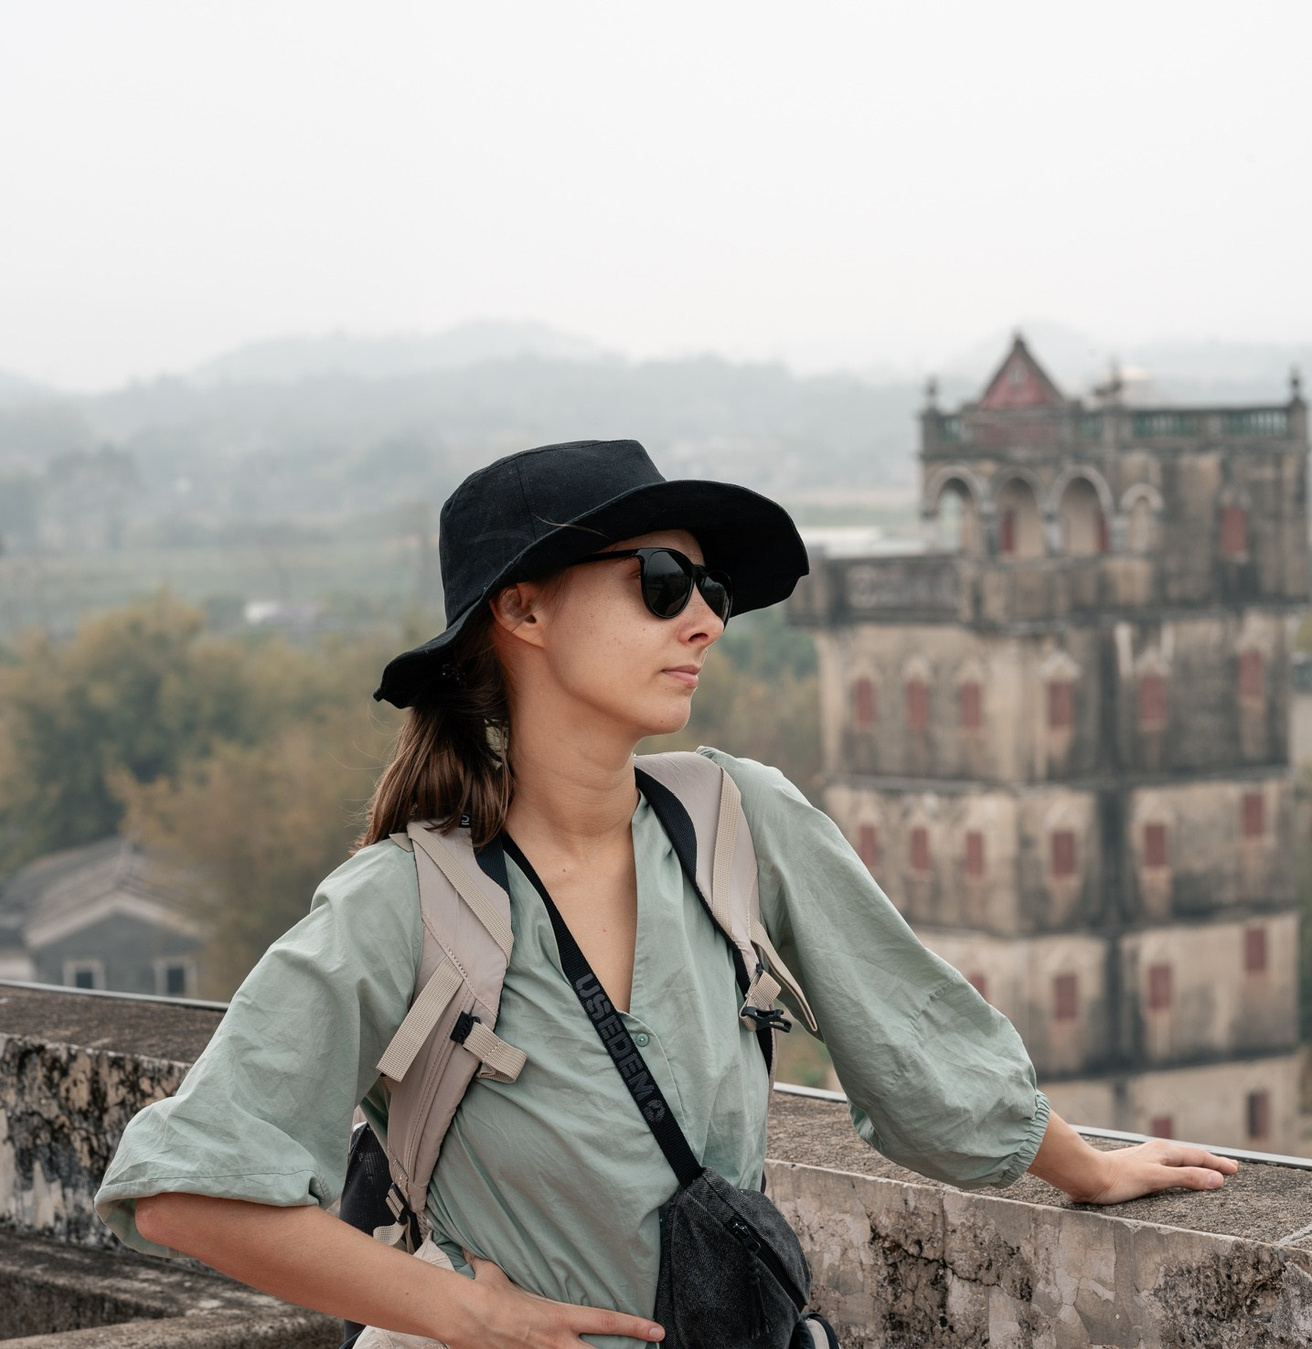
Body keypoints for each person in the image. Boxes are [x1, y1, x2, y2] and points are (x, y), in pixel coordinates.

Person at [93, 440, 1235, 1349]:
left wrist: (1082, 1166)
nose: (703, 618)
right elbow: (186, 1188)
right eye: (659, 582)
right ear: (523, 611)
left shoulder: (740, 820)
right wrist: (457, 1311)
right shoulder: (404, 902)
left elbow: (913, 1030)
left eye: (709, 591)